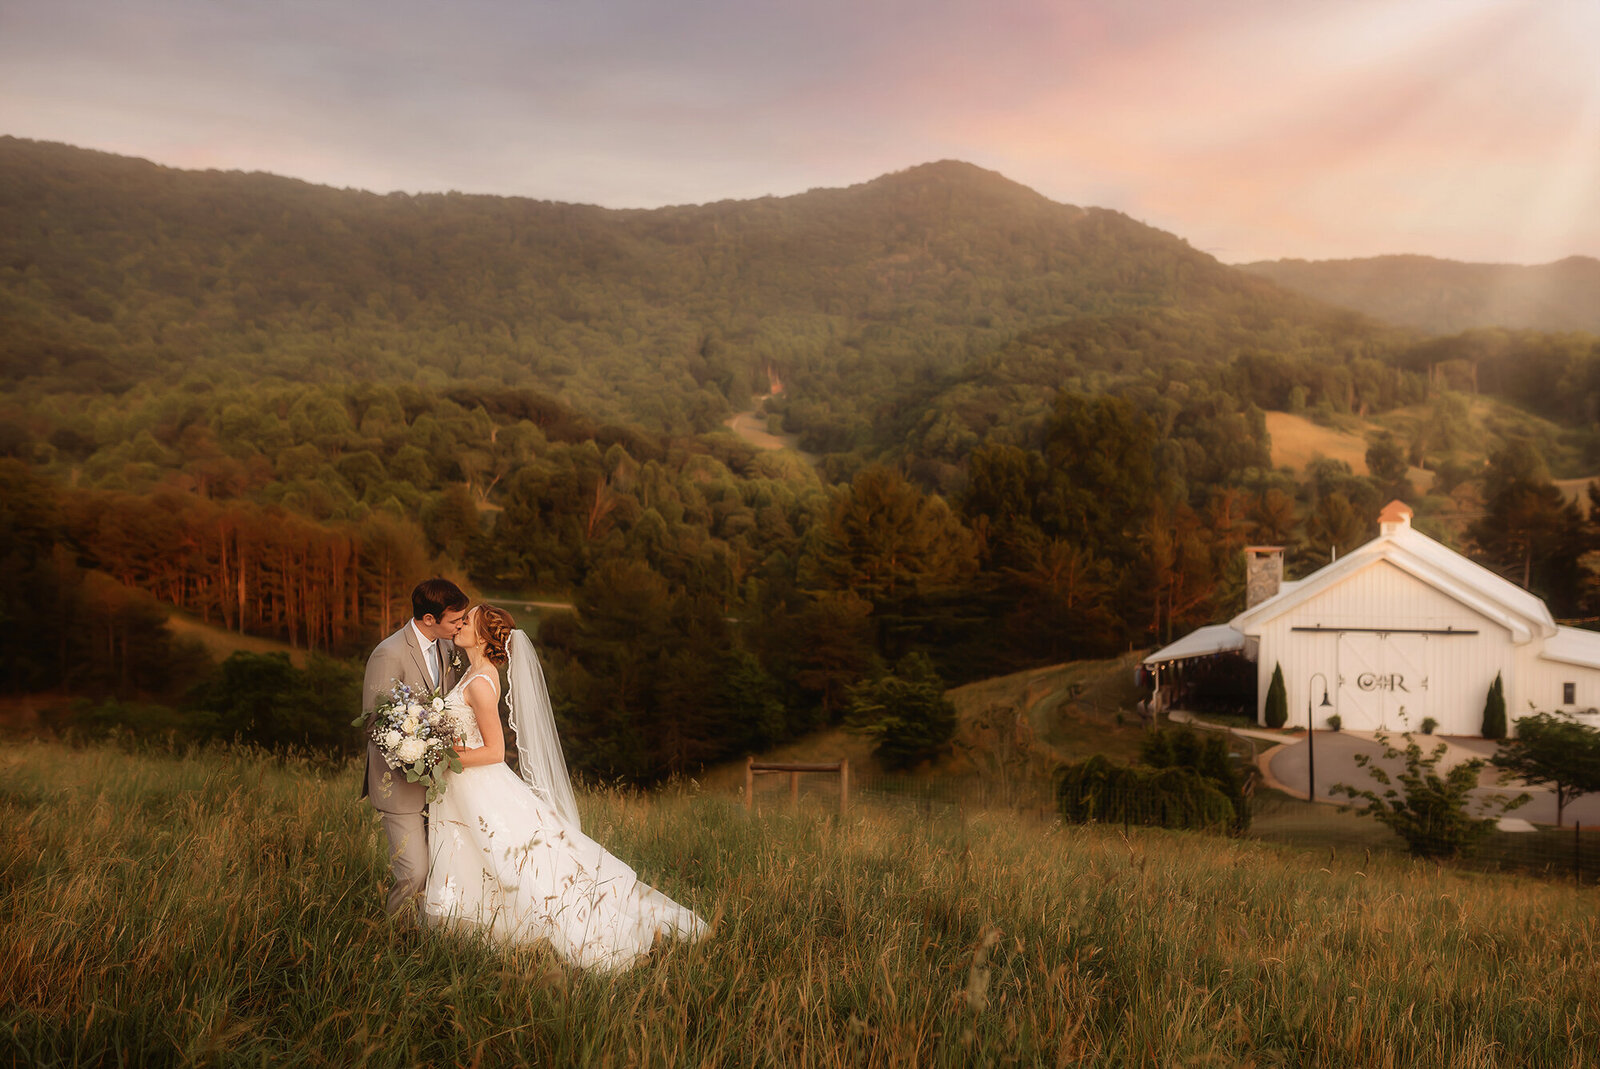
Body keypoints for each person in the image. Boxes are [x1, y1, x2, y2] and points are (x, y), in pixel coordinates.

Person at [424, 604, 708, 971]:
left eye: (468, 620)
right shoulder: (472, 673)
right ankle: (477, 932)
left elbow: (494, 751)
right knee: (485, 859)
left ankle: (590, 931)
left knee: (514, 864)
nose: (459, 624)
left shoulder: (480, 682)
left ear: (482, 635)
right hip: (464, 788)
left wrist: (444, 755)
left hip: (476, 783)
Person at [361, 578, 470, 920]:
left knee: (438, 871)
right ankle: (394, 941)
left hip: (437, 785)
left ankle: (422, 944)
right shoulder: (388, 653)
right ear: (428, 619)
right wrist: (417, 748)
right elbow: (373, 722)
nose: (461, 626)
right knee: (413, 873)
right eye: (455, 620)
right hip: (398, 785)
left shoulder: (447, 648)